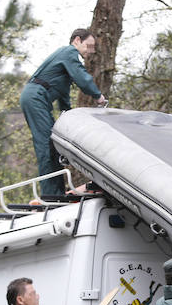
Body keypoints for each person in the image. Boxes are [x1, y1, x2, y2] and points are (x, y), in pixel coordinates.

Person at [20, 28, 107, 198]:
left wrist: (68, 117)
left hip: (37, 99)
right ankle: (51, 195)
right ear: (77, 40)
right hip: (35, 97)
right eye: (88, 46)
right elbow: (81, 77)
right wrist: (97, 95)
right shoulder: (69, 52)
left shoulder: (65, 67)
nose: (89, 51)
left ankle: (56, 192)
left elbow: (64, 97)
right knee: (46, 146)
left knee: (53, 145)